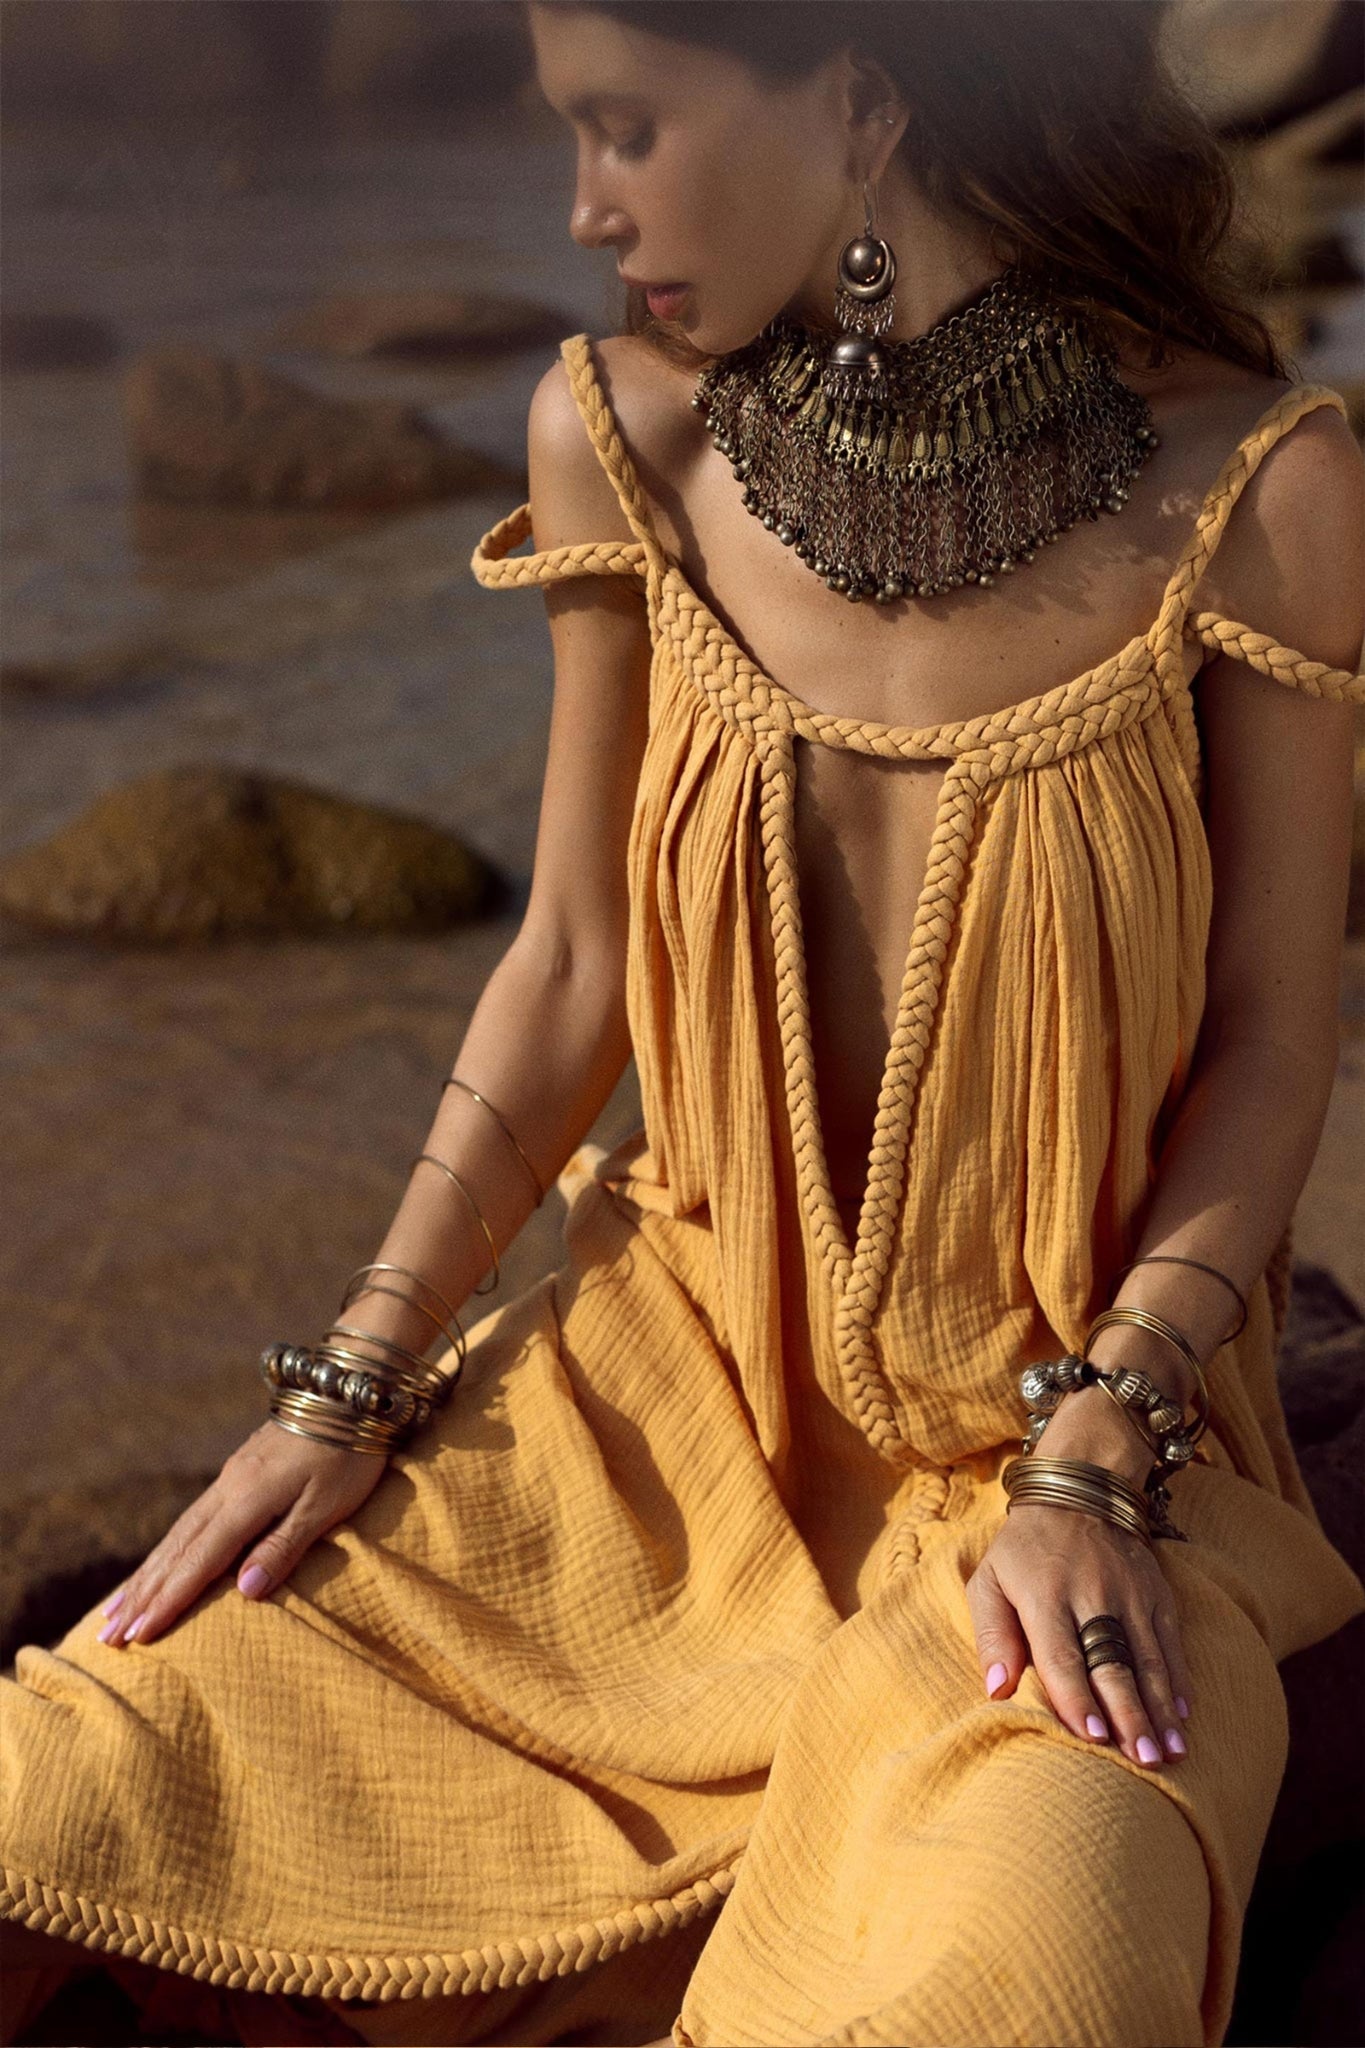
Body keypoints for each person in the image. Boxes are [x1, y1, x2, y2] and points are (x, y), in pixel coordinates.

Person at [3, 4, 1364, 2044]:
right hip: (641, 1443)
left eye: (624, 128)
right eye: (566, 136)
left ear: (860, 94)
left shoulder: (1260, 490)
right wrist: (350, 1384)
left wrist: (1108, 1428)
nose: (579, 204)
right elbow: (563, 963)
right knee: (67, 1784)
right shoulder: (619, 441)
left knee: (1017, 1981)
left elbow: (1270, 1034)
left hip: (1050, 1490)